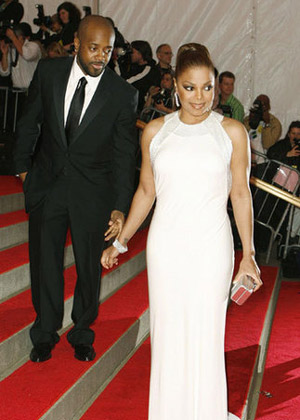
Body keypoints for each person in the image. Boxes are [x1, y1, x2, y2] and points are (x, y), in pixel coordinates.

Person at [101, 43, 262, 419]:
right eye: (190, 88)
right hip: (166, 247)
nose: (200, 97)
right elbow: (146, 191)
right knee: (169, 335)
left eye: (207, 87)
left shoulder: (232, 132)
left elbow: (240, 193)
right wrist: (121, 242)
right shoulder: (156, 132)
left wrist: (249, 255)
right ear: (175, 85)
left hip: (212, 247)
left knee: (206, 337)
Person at [14, 15, 138, 363]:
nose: (101, 56)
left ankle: (82, 331)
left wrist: (119, 205)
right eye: (94, 48)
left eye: (108, 50)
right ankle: (44, 332)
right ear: (77, 45)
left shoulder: (122, 93)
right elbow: (29, 122)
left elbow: (125, 155)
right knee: (45, 264)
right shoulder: (50, 73)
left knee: (89, 267)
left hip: (93, 194)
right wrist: (23, 170)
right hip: (47, 186)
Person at [244, 94, 282, 166]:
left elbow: (267, 144)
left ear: (268, 107)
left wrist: (267, 123)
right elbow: (242, 137)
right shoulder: (247, 119)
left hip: (263, 162)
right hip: (246, 159)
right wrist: (251, 120)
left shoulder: (275, 123)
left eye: (263, 105)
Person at [126, 40, 161, 111]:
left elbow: (128, 82)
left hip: (140, 108)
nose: (130, 54)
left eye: (132, 52)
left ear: (140, 53)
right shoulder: (131, 66)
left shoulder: (150, 69)